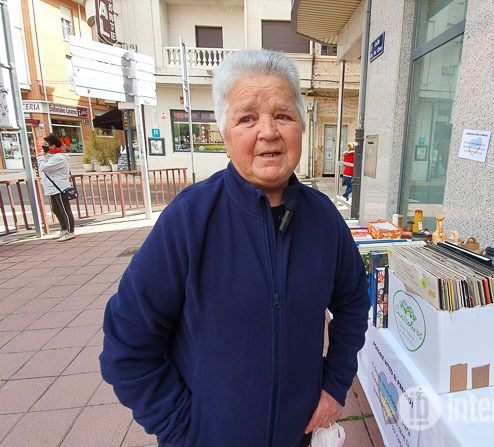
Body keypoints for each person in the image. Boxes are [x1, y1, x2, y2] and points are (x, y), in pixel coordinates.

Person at [100, 49, 370, 446]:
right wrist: (183, 431)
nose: (268, 132)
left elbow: (354, 301)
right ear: (225, 134)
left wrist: (334, 384)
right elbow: (127, 343)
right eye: (247, 118)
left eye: (283, 115)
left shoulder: (323, 219)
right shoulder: (189, 220)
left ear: (301, 127)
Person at [38, 134, 75, 241]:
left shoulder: (59, 157)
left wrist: (41, 157)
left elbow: (45, 168)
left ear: (53, 146)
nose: (43, 146)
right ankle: (64, 229)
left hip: (60, 187)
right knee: (56, 209)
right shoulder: (52, 156)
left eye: (45, 144)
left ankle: (70, 232)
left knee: (64, 210)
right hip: (53, 188)